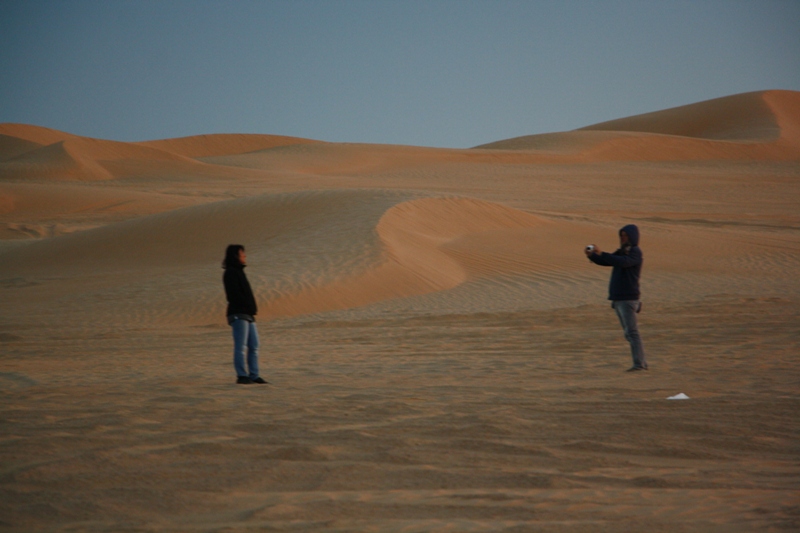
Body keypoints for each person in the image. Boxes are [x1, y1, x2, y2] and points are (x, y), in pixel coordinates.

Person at [585, 225, 648, 372]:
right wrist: (593, 256)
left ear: (633, 236)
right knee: (629, 333)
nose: (623, 238)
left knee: (632, 333)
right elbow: (609, 261)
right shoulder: (623, 252)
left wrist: (602, 253)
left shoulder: (634, 252)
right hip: (619, 299)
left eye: (626, 235)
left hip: (628, 299)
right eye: (621, 235)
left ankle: (640, 364)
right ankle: (640, 363)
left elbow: (622, 262)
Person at [222, 244, 267, 384]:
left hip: (248, 314)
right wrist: (246, 306)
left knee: (254, 345)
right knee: (241, 346)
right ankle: (242, 375)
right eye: (242, 254)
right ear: (236, 256)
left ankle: (254, 375)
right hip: (238, 313)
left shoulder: (239, 271)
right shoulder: (230, 272)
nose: (245, 256)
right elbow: (234, 295)